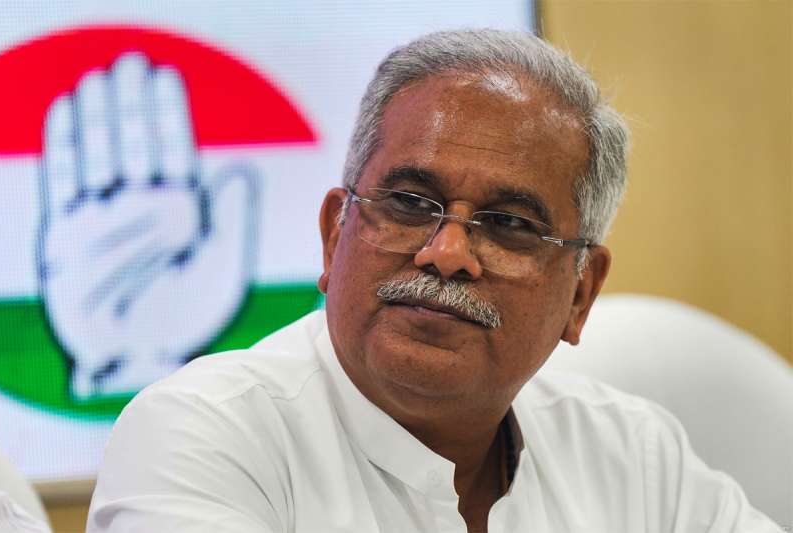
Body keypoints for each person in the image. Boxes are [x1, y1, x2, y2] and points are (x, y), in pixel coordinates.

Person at [87, 29, 783, 532]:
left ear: (579, 294)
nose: (447, 253)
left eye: (509, 224)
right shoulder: (203, 434)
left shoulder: (633, 454)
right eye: (409, 203)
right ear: (334, 236)